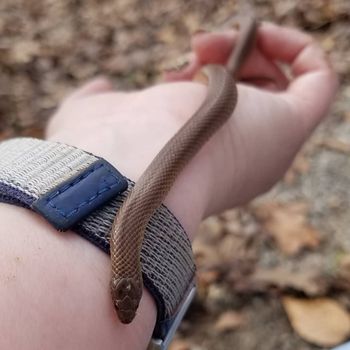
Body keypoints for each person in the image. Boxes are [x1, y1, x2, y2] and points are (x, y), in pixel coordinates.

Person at [0, 22, 338, 349]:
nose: (123, 312)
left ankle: (244, 27)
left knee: (223, 68)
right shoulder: (124, 252)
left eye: (123, 305)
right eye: (124, 305)